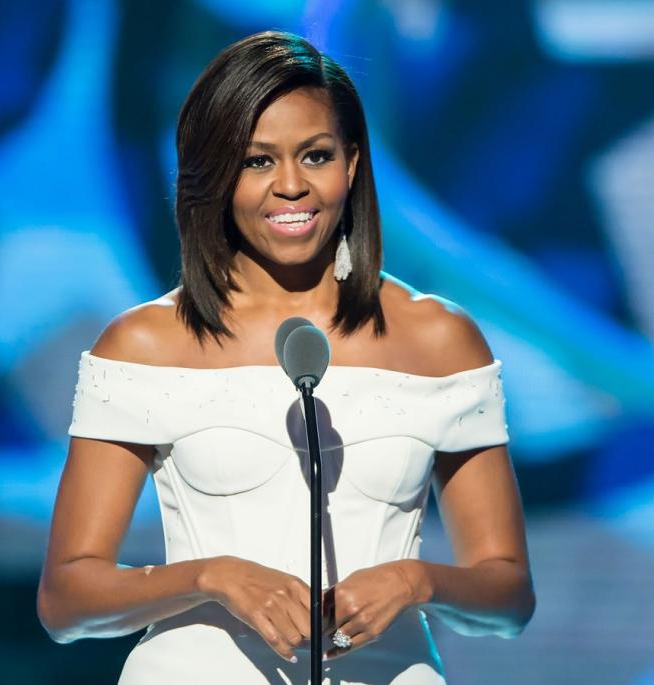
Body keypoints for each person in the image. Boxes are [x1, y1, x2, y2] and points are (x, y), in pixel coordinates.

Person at [37, 30, 535, 685]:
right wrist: (210, 576)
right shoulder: (147, 344)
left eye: (316, 155)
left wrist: (417, 578)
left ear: (352, 165)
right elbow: (67, 599)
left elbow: (507, 598)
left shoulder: (439, 340)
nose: (292, 185)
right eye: (257, 161)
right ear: (215, 176)